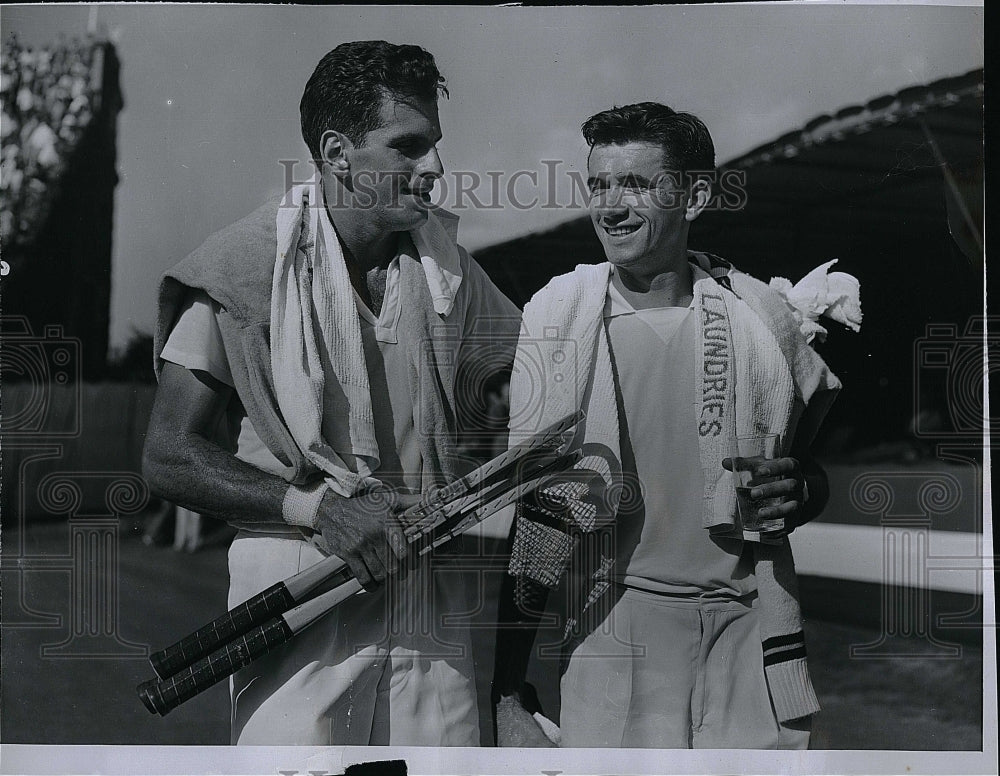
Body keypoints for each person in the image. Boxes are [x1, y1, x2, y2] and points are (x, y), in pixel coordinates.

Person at [143, 40, 519, 746]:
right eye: (408, 147)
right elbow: (167, 455)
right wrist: (318, 510)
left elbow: (541, 367)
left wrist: (671, 276)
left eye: (435, 145)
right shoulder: (240, 267)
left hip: (428, 593)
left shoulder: (453, 273)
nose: (434, 168)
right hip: (300, 590)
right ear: (338, 151)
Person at [493, 102, 848, 749]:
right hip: (617, 621)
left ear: (695, 195)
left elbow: (805, 471)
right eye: (598, 184)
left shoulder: (757, 318)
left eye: (634, 184)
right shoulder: (562, 319)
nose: (610, 206)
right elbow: (537, 513)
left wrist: (805, 490)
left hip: (747, 623)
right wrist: (506, 692)